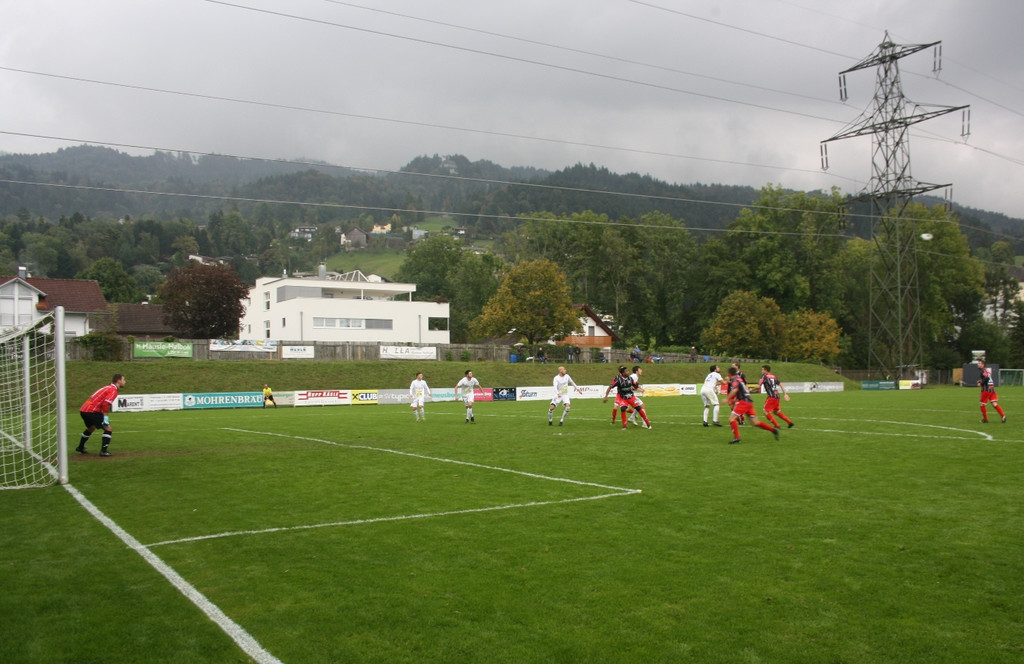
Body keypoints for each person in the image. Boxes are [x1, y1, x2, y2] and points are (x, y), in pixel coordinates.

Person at [75, 374, 126, 457]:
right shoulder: (113, 390)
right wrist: (105, 416)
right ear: (118, 381)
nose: (125, 382)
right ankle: (103, 451)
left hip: (84, 410)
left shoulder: (107, 387)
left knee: (91, 427)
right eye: (123, 380)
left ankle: (80, 447)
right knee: (108, 428)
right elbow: (105, 404)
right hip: (92, 411)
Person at [726, 366, 778, 444]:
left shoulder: (735, 380)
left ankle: (737, 437)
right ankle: (773, 430)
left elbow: (735, 390)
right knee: (755, 423)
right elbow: (743, 391)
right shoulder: (739, 379)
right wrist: (736, 400)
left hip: (744, 402)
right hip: (749, 402)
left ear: (729, 374)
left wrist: (727, 399)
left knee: (731, 419)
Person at [603, 365, 651, 430]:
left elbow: (634, 386)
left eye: (628, 371)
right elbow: (610, 387)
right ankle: (624, 426)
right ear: (623, 373)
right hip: (623, 398)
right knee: (622, 409)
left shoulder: (630, 378)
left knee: (639, 408)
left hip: (631, 396)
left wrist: (637, 385)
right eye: (626, 371)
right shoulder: (617, 379)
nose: (628, 372)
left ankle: (647, 424)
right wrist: (606, 396)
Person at [758, 365, 794, 429]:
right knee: (776, 412)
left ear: (766, 370)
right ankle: (790, 422)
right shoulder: (774, 376)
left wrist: (750, 390)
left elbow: (758, 386)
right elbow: (781, 384)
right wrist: (785, 394)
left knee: (765, 411)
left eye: (762, 369)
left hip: (771, 397)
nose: (761, 371)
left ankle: (777, 425)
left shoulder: (764, 376)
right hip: (777, 396)